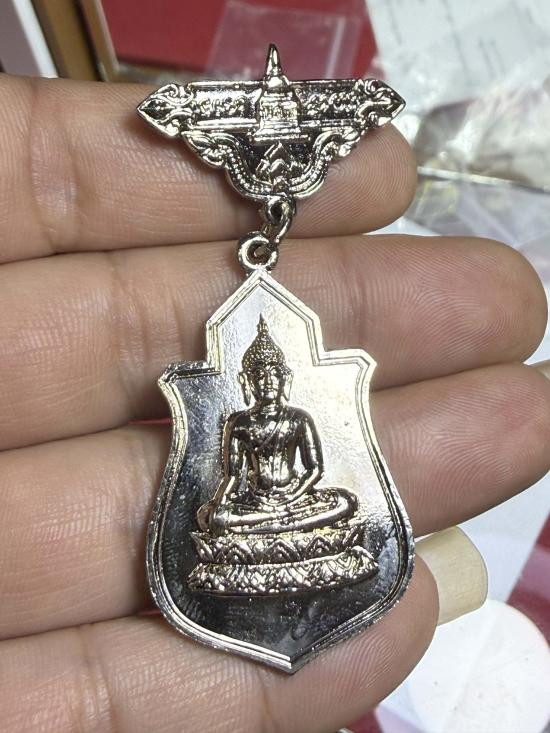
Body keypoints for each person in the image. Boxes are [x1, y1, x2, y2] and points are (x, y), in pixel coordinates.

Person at [0, 70, 548, 732]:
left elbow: (314, 472)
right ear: (253, 380)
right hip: (255, 514)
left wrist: (291, 498)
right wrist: (243, 504)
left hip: (297, 508)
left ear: (281, 381)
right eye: (258, 381)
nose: (265, 389)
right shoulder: (238, 421)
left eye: (271, 381)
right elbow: (231, 479)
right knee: (220, 520)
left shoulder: (293, 416)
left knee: (337, 508)